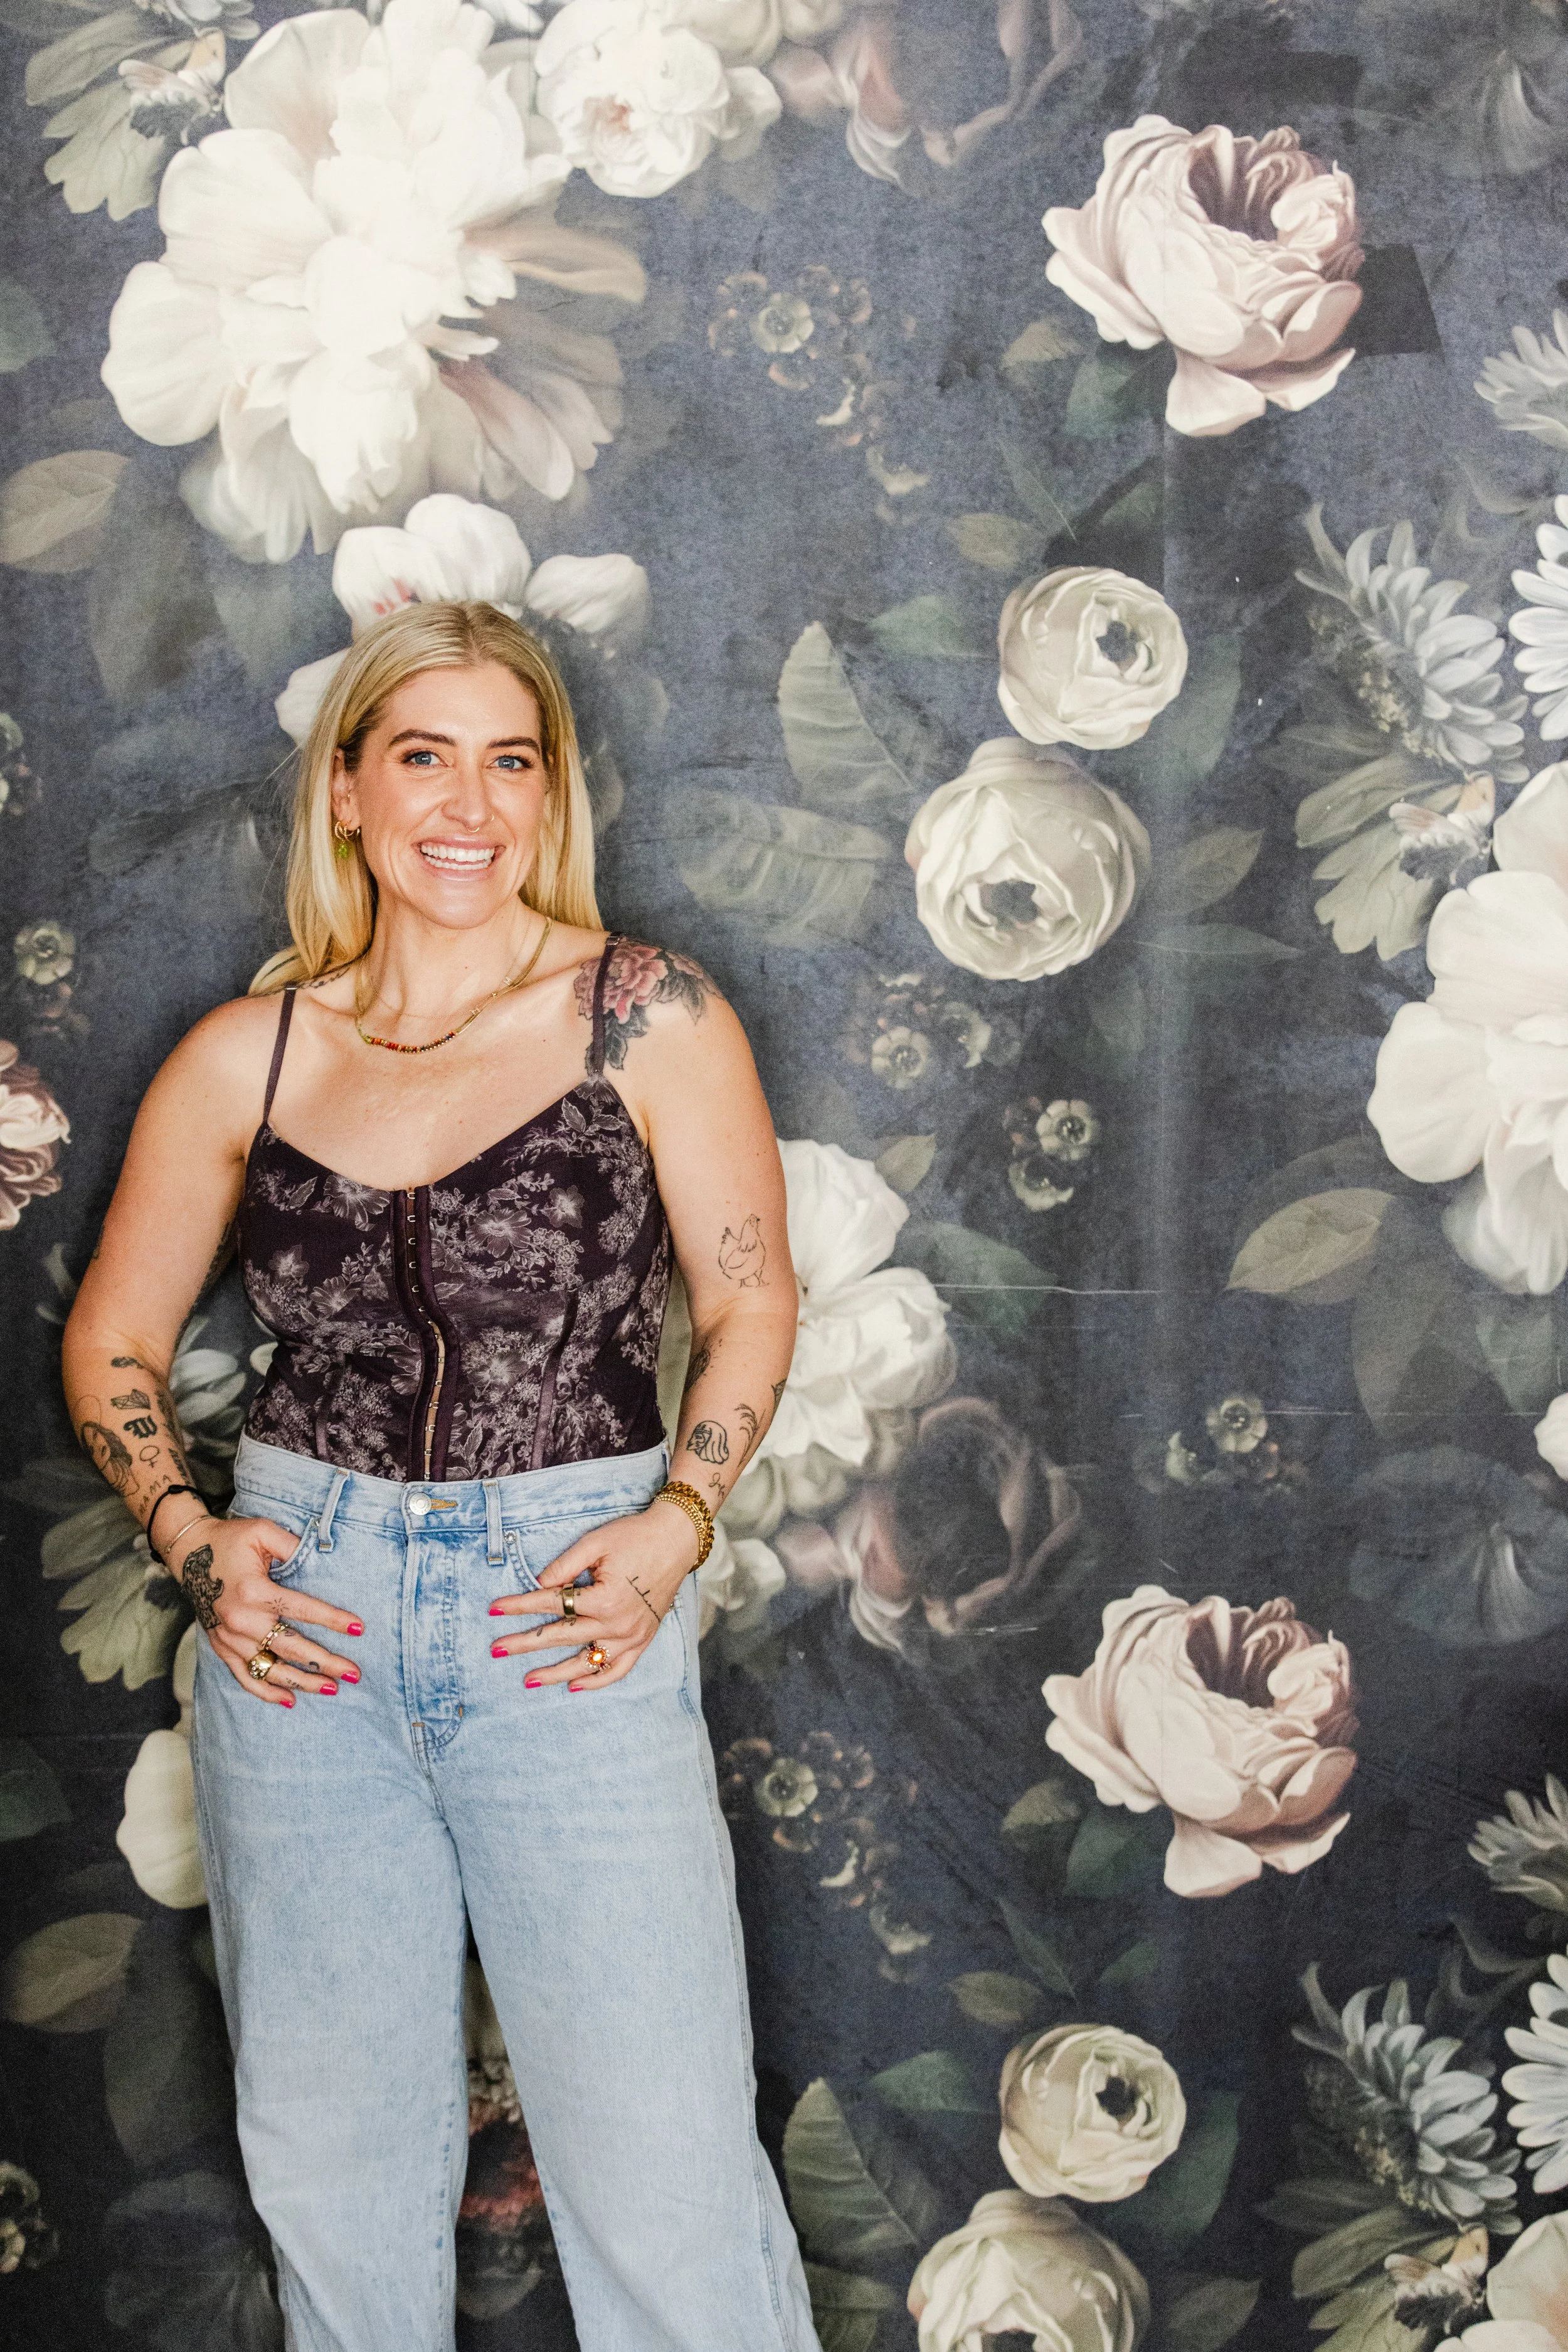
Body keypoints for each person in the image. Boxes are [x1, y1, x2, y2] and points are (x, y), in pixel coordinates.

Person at [61, 600, 822, 2352]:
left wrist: (675, 1518)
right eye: (424, 756)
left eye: (510, 760)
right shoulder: (247, 1054)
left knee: (663, 2171)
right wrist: (193, 1539)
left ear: (549, 795)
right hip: (299, 1627)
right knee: (332, 2169)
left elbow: (752, 1297)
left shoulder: (647, 1013)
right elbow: (109, 1342)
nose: (467, 804)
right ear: (347, 793)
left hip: (568, 1605)